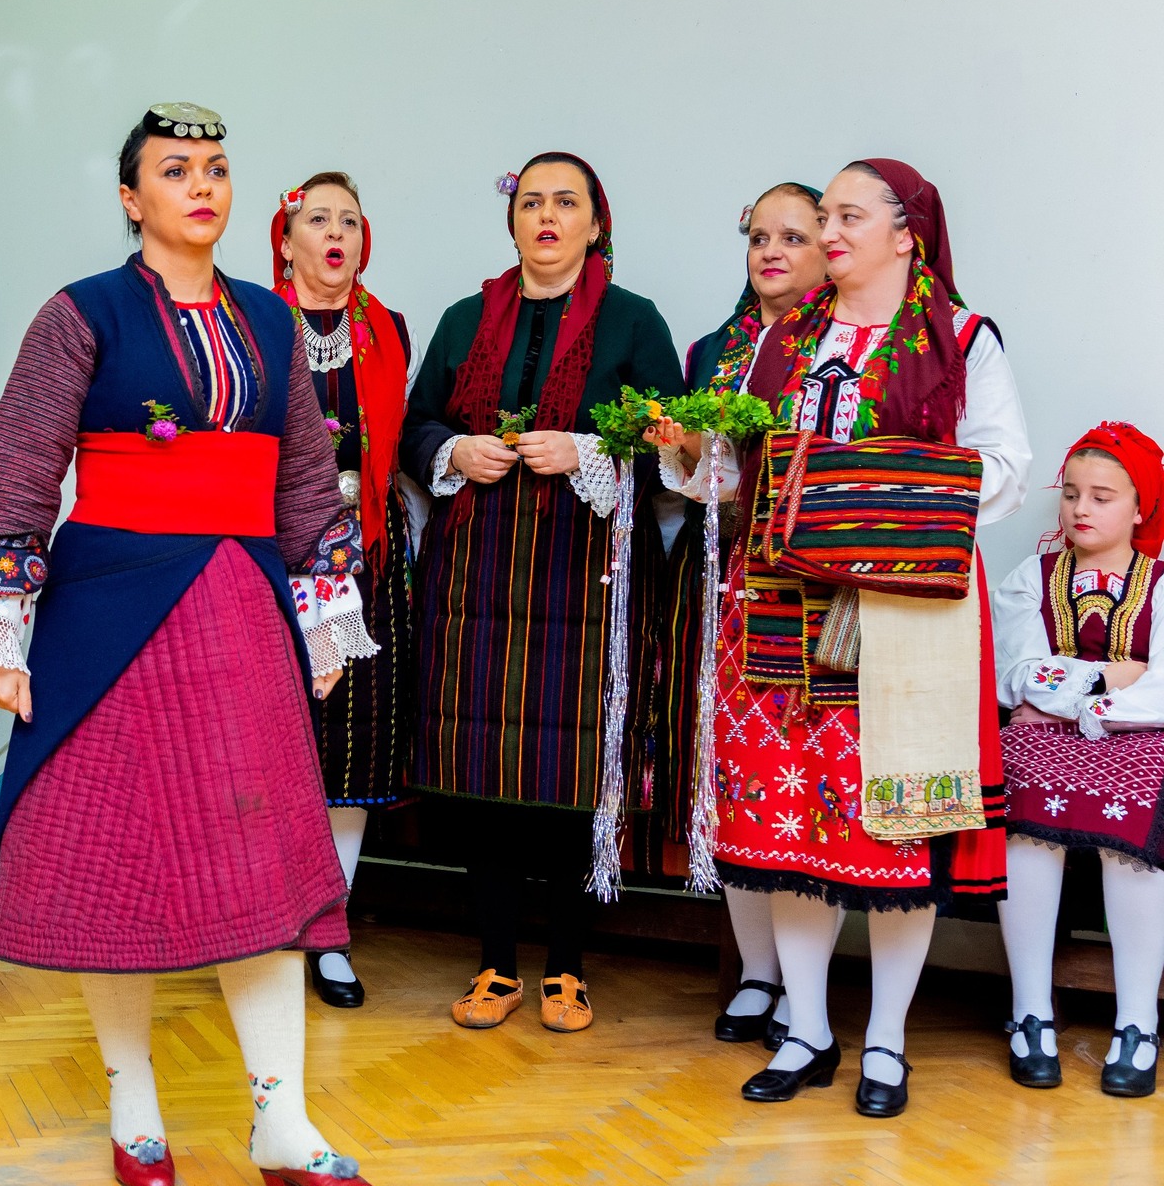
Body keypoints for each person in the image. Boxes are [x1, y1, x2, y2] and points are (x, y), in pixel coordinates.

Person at [0, 103, 380, 1186]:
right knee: (115, 858)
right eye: (175, 169)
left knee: (261, 858)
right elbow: (19, 467)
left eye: (216, 168)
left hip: (240, 607)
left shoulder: (272, 322)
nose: (201, 185)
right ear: (130, 197)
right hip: (108, 615)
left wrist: (325, 619)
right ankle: (131, 1104)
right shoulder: (79, 314)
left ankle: (282, 1120)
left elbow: (303, 481)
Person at [699, 159, 1030, 1116]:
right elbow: (739, 469)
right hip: (773, 611)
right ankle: (807, 1026)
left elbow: (1006, 465)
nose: (828, 232)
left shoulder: (961, 337)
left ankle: (886, 1038)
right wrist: (696, 453)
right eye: (825, 216)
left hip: (903, 616)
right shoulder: (785, 338)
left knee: (894, 827)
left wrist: (869, 498)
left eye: (848, 216)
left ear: (906, 233)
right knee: (788, 820)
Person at [400, 152, 683, 1035]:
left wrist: (589, 449)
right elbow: (415, 427)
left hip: (584, 574)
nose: (547, 216)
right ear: (512, 220)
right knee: (483, 773)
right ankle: (495, 963)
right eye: (531, 202)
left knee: (573, 769)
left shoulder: (635, 321)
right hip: (476, 572)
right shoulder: (463, 318)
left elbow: (674, 442)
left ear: (597, 224)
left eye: (566, 202)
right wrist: (454, 449)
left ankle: (567, 967)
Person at [646, 183, 828, 1046]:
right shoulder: (713, 350)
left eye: (792, 236)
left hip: (806, 586)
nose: (771, 252)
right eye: (759, 237)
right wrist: (683, 449)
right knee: (732, 778)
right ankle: (758, 971)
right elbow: (699, 483)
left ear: (830, 250)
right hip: (718, 579)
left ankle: (806, 986)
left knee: (799, 780)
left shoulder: (843, 349)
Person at [269, 172, 416, 1009]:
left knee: (352, 748)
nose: (335, 233)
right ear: (286, 240)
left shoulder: (389, 329)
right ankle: (264, 925)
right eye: (317, 219)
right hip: (272, 557)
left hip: (366, 558)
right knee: (273, 741)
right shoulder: (253, 324)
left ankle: (329, 930)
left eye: (350, 221)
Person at [995, 423, 1164, 1098]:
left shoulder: (1160, 584)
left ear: (1141, 508)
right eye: (1070, 494)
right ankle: (1030, 1011)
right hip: (1047, 739)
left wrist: (1076, 698)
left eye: (1102, 496)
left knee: (1136, 817)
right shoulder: (1030, 579)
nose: (1080, 509)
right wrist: (1112, 675)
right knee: (1025, 797)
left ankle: (1138, 1021)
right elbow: (1015, 675)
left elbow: (1161, 690)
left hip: (1141, 737)